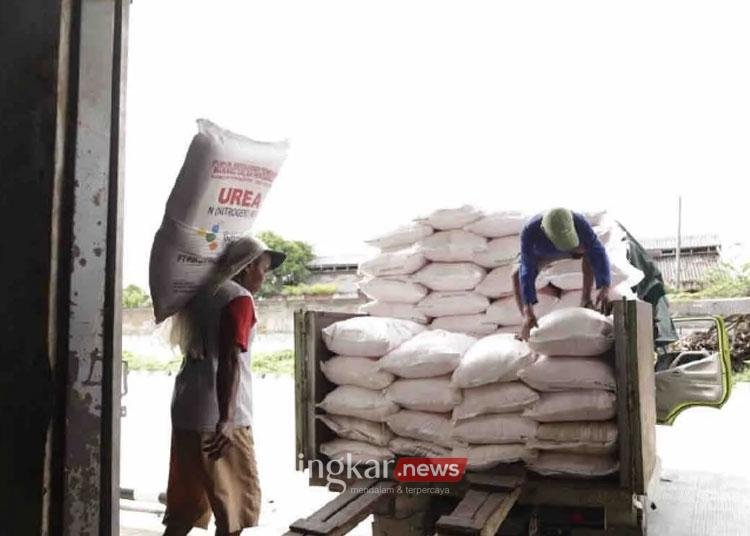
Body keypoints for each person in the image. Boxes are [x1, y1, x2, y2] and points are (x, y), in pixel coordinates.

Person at [162, 236, 285, 536]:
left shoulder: (201, 294)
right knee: (234, 511)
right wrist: (227, 420)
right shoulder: (238, 298)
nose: (264, 276)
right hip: (219, 416)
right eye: (263, 268)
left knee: (185, 508)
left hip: (186, 410)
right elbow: (230, 360)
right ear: (247, 267)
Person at [513, 208, 611, 341]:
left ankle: (586, 300)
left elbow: (598, 251)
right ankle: (527, 319)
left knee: (590, 252)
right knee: (516, 274)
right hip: (540, 253)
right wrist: (528, 309)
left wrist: (605, 286)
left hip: (573, 250)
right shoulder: (530, 231)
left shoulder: (579, 221)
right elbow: (527, 270)